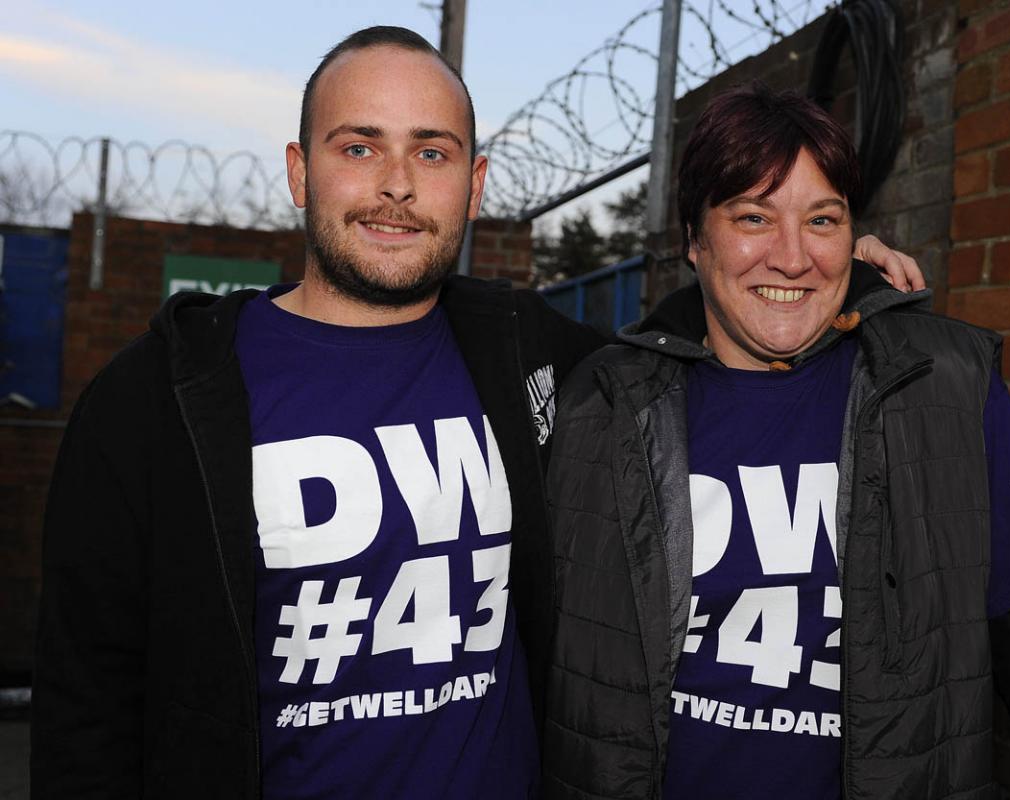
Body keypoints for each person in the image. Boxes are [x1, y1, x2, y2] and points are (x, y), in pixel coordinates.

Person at [30, 27, 924, 800]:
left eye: (431, 151)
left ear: (475, 180)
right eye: (357, 147)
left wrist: (816, 270)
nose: (396, 185)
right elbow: (86, 710)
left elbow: (681, 347)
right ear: (300, 172)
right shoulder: (156, 401)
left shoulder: (521, 351)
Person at [541, 84, 1010, 799]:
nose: (793, 256)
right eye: (753, 216)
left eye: (823, 219)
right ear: (694, 238)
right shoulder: (603, 401)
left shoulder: (940, 390)